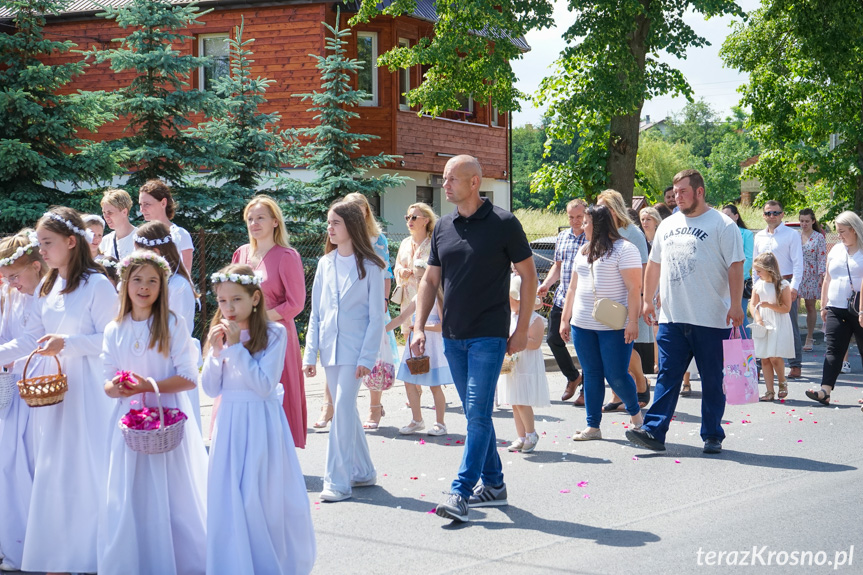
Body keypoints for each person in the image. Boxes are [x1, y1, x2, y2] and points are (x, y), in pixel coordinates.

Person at [411, 154, 536, 522]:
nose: (444, 184)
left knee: (478, 414)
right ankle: (494, 485)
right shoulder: (443, 227)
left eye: (451, 178)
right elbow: (430, 280)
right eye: (444, 178)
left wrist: (522, 327)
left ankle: (461, 491)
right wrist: (418, 326)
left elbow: (528, 277)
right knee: (474, 414)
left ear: (474, 182)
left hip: (489, 335)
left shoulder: (504, 223)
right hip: (453, 336)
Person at [3, 208, 118, 573]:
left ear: (72, 242)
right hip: (54, 391)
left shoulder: (97, 285)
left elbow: (110, 340)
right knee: (56, 471)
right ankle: (61, 554)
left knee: (88, 468)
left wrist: (67, 343)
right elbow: (31, 337)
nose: (42, 250)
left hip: (86, 389)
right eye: (40, 243)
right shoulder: (50, 286)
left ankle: (97, 552)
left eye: (48, 243)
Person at [98, 251, 207, 575]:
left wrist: (149, 384)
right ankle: (133, 562)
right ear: (124, 284)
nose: (144, 287)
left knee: (170, 495)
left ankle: (176, 562)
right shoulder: (114, 328)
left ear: (162, 287)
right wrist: (115, 387)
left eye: (152, 281)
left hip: (165, 420)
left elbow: (189, 378)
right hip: (127, 424)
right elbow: (106, 378)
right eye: (137, 280)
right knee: (129, 494)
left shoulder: (172, 324)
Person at [202, 264, 316, 575]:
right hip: (230, 424)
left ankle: (266, 563)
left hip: (261, 423)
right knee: (230, 495)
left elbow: (264, 385)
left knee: (259, 495)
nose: (228, 308)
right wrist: (215, 353)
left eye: (236, 300)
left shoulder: (275, 333)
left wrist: (237, 348)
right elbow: (211, 388)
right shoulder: (221, 335)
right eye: (222, 301)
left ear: (255, 299)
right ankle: (234, 563)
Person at [626, 169, 744, 455]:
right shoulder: (668, 225)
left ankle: (713, 434)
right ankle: (654, 430)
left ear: (699, 192)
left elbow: (736, 265)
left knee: (712, 380)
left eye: (683, 192)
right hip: (672, 318)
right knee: (667, 375)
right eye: (675, 193)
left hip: (711, 317)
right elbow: (654, 264)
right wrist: (647, 299)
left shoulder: (722, 225)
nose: (677, 197)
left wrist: (737, 303)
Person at [303, 201, 386, 502]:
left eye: (335, 222)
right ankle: (363, 471)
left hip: (355, 352)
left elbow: (376, 317)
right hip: (330, 349)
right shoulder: (326, 263)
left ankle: (337, 482)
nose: (329, 228)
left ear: (351, 226)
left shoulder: (373, 266)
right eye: (328, 222)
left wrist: (367, 358)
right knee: (346, 408)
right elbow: (316, 313)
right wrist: (309, 353)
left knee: (341, 409)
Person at [560, 204, 644, 441]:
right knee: (592, 373)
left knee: (616, 374)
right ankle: (593, 426)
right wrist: (565, 319)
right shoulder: (583, 250)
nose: (581, 225)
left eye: (585, 222)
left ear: (598, 225)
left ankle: (636, 414)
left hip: (614, 326)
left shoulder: (625, 249)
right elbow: (572, 288)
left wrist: (633, 322)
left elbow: (633, 288)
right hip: (582, 325)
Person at [232, 196, 307, 448]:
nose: (254, 223)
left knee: (276, 395)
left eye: (261, 217)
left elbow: (295, 303)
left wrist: (259, 317)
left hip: (275, 337)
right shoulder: (240, 253)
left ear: (275, 222)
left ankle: (279, 454)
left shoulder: (287, 255)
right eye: (250, 218)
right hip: (242, 338)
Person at [0, 230, 46, 572]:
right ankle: (16, 541)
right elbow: (7, 335)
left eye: (15, 276)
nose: (12, 283)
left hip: (40, 387)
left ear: (35, 266)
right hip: (13, 389)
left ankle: (39, 544)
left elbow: (33, 339)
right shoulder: (13, 295)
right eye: (7, 277)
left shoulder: (44, 294)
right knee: (11, 465)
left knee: (33, 462)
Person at [134, 221, 202, 427]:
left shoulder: (177, 284)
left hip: (171, 361)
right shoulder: (161, 282)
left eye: (138, 253)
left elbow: (173, 327)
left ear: (155, 252)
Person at [597, 190, 652, 410]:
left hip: (628, 297)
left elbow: (645, 267)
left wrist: (641, 298)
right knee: (609, 350)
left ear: (614, 208)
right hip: (606, 300)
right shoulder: (600, 231)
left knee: (624, 347)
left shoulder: (633, 232)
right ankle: (617, 394)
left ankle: (640, 381)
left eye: (604, 207)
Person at [805, 211, 863, 406]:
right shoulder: (836, 250)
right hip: (836, 307)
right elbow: (828, 278)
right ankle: (825, 390)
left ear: (854, 230)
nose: (839, 235)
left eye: (842, 231)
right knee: (833, 349)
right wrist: (824, 304)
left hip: (860, 308)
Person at [386, 260, 450, 436]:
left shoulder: (438, 298)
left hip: (432, 345)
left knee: (434, 385)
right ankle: (417, 420)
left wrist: (421, 328)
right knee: (409, 381)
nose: (419, 281)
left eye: (423, 277)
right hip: (415, 345)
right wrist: (380, 331)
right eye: (417, 277)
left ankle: (440, 423)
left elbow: (442, 326)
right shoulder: (417, 297)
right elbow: (401, 319)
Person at [537, 198, 587, 405]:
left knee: (584, 345)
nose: (575, 221)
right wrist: (547, 284)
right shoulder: (563, 236)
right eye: (571, 217)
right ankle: (573, 377)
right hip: (562, 296)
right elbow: (557, 266)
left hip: (584, 299)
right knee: (552, 339)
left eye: (579, 217)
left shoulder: (593, 237)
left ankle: (587, 389)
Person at [389, 202, 436, 416]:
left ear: (426, 220)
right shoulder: (405, 243)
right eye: (407, 217)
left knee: (426, 341)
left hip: (427, 300)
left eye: (414, 217)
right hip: (408, 299)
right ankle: (415, 388)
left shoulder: (433, 243)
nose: (409, 221)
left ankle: (431, 385)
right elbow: (396, 266)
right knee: (408, 340)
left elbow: (437, 270)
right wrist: (403, 272)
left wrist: (419, 270)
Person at [753, 200, 804, 378]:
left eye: (775, 212)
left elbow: (798, 263)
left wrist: (794, 287)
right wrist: (755, 287)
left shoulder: (792, 235)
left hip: (784, 283)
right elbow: (755, 265)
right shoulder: (759, 236)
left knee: (790, 325)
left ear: (782, 214)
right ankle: (761, 364)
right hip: (763, 285)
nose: (772, 216)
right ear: (763, 215)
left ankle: (795, 364)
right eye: (768, 213)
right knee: (762, 324)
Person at [500, 273, 550, 452]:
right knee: (514, 401)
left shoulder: (534, 319)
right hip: (513, 364)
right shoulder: (510, 317)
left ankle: (531, 433)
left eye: (511, 298)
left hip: (526, 364)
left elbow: (535, 343)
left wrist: (516, 341)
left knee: (522, 400)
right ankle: (521, 436)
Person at [750, 252, 795, 401]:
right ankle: (769, 391)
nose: (757, 274)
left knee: (775, 356)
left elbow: (786, 307)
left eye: (759, 271)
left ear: (769, 269)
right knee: (764, 358)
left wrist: (769, 305)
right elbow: (753, 304)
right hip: (763, 321)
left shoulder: (782, 285)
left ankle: (782, 381)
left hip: (777, 321)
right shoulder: (758, 285)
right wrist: (758, 318)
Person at [138, 179, 195, 273]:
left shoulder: (181, 234)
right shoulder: (141, 235)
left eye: (147, 204)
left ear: (163, 203)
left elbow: (186, 274)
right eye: (140, 204)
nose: (142, 210)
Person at [722, 204, 754, 338]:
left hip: (739, 281)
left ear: (736, 216)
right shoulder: (720, 232)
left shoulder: (746, 234)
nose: (725, 218)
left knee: (740, 318)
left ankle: (747, 352)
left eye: (728, 215)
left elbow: (748, 257)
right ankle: (731, 353)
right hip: (722, 282)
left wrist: (736, 274)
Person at [798, 208, 827, 351]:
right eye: (802, 221)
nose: (804, 224)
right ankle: (794, 336)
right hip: (797, 274)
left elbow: (822, 258)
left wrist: (822, 276)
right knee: (793, 307)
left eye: (807, 221)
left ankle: (809, 337)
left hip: (812, 274)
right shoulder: (795, 236)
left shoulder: (818, 237)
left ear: (813, 221)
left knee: (810, 306)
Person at [100, 188, 138, 259]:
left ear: (124, 212)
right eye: (104, 212)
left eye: (110, 213)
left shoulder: (139, 238)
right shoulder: (105, 241)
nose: (106, 217)